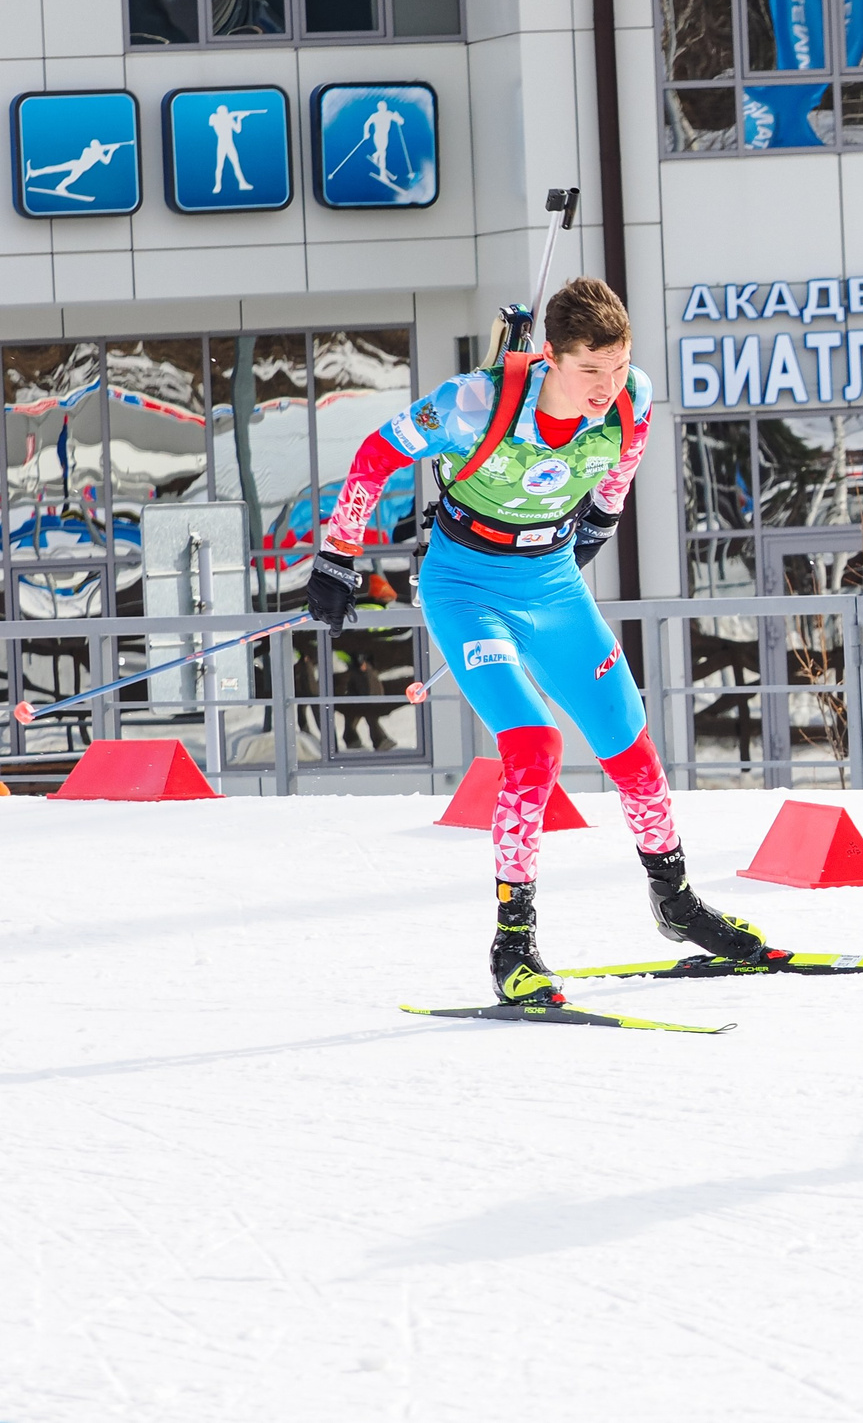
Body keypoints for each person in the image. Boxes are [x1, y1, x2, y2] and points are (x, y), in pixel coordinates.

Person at [306, 276, 768, 1005]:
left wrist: (598, 527)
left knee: (630, 742)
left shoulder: (633, 397)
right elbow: (375, 452)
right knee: (534, 745)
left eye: (617, 367)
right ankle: (513, 941)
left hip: (551, 583)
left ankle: (676, 902)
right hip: (467, 589)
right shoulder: (476, 403)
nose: (606, 386)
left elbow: (619, 469)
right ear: (550, 356)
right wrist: (337, 555)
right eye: (590, 370)